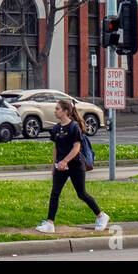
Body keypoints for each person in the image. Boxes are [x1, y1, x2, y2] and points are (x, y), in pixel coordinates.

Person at [36, 99, 110, 234]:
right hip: (61, 167)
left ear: (65, 111)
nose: (55, 111)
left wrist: (65, 161)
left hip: (75, 165)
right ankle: (49, 223)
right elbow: (56, 148)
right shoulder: (56, 128)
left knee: (81, 194)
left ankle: (101, 216)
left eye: (57, 109)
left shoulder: (74, 127)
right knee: (55, 193)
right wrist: (54, 165)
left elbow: (77, 148)